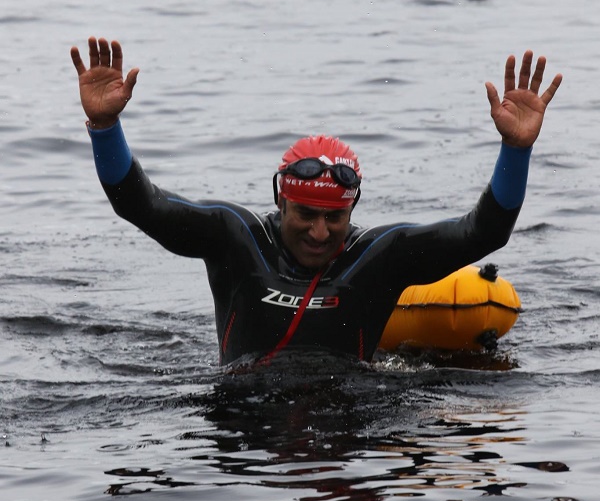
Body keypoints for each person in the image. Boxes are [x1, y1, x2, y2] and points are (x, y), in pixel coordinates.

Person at [71, 37, 562, 367]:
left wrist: (516, 150)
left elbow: (485, 233)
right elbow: (141, 205)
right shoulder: (234, 239)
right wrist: (105, 128)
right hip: (245, 443)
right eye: (306, 214)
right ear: (280, 203)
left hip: (347, 434)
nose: (321, 233)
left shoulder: (380, 257)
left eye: (335, 218)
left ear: (353, 209)